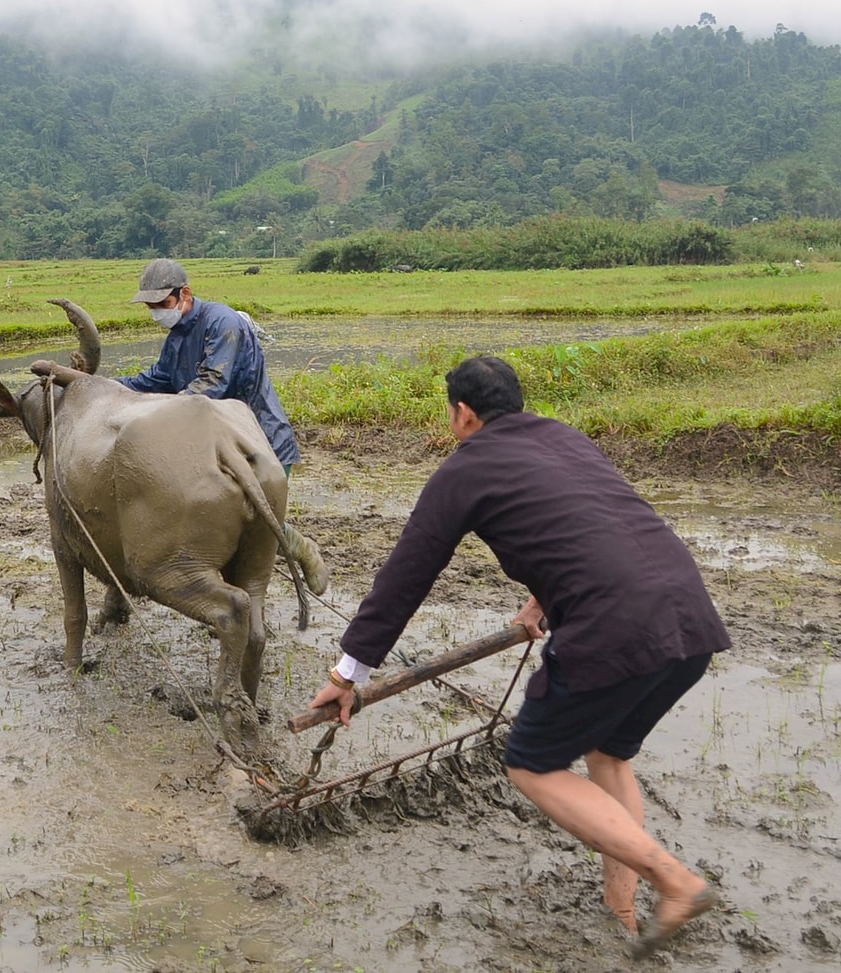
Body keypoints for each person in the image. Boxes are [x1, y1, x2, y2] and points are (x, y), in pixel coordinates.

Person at [308, 356, 729, 957]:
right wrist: (539, 599)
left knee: (531, 761)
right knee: (608, 755)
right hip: (688, 615)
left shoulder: (464, 471)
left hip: (614, 627)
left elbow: (406, 577)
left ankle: (677, 882)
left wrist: (347, 674)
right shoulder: (564, 436)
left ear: (463, 414)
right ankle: (623, 908)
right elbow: (591, 522)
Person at [118, 258, 327, 595]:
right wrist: (108, 387)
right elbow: (157, 379)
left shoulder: (222, 323)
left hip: (259, 439)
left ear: (184, 294)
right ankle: (233, 599)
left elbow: (211, 384)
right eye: (151, 306)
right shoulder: (176, 336)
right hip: (214, 443)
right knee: (222, 519)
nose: (157, 311)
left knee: (258, 522)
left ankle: (302, 549)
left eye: (162, 303)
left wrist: (165, 416)